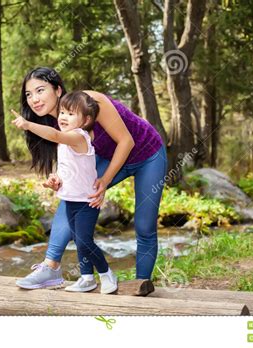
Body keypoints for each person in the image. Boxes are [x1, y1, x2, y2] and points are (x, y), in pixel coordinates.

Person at [14, 67, 168, 290]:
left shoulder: (90, 101)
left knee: (144, 227)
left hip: (148, 154)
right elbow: (71, 162)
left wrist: (104, 181)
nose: (34, 99)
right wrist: (59, 179)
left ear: (58, 90)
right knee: (72, 196)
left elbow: (126, 141)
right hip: (110, 157)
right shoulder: (51, 124)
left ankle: (140, 284)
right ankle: (50, 268)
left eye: (40, 90)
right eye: (29, 94)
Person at [12, 91, 118, 293]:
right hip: (71, 200)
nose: (63, 117)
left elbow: (53, 134)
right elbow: (67, 168)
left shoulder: (79, 137)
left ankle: (106, 273)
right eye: (61, 112)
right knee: (79, 240)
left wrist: (27, 124)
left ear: (86, 120)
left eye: (70, 113)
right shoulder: (65, 142)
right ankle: (87, 278)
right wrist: (56, 179)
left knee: (85, 240)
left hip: (87, 201)